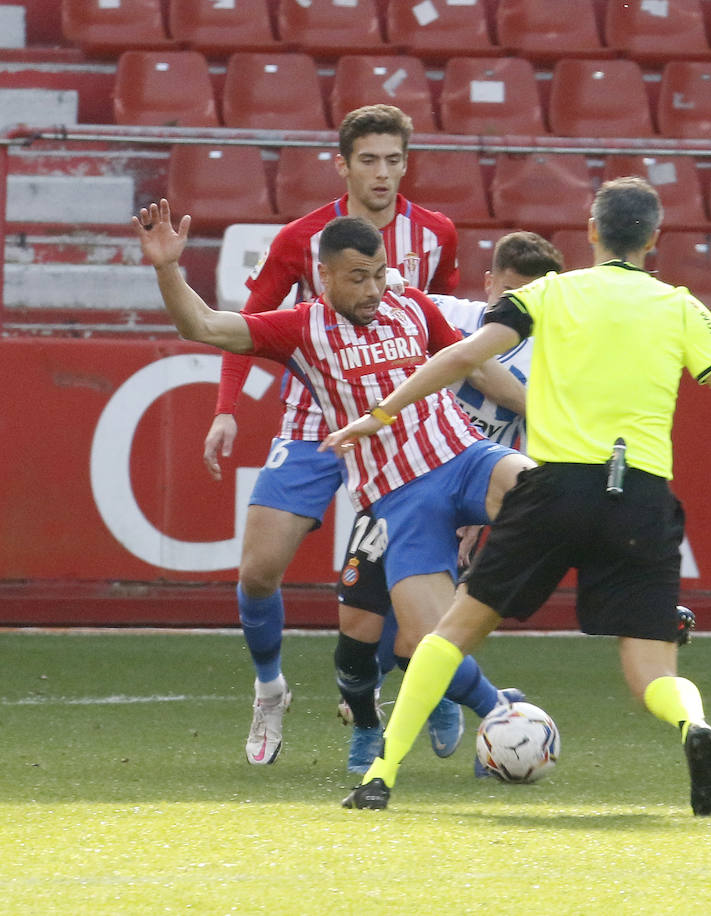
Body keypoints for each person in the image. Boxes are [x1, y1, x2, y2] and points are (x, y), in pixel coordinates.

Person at [322, 177, 711, 815]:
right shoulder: (680, 307)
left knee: (452, 634)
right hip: (638, 497)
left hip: (554, 489)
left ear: (591, 231)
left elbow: (463, 356)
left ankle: (380, 775)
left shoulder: (549, 294)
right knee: (653, 673)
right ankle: (692, 724)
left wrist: (381, 413)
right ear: (654, 237)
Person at [134, 202, 535, 771]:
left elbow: (469, 363)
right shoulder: (301, 328)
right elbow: (202, 325)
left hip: (466, 457)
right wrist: (168, 269)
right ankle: (502, 713)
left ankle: (643, 601)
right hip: (402, 499)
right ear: (324, 276)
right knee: (428, 640)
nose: (374, 289)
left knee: (545, 491)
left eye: (378, 274)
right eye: (357, 278)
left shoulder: (412, 305)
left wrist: (538, 408)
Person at [205, 104, 465, 766]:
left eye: (394, 159)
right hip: (315, 418)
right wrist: (226, 405)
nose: (382, 173)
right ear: (343, 164)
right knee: (260, 569)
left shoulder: (435, 236)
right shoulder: (303, 238)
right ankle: (270, 686)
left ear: (407, 163)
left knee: (403, 585)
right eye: (369, 159)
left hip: (403, 427)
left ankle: (409, 698)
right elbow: (249, 320)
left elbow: (454, 338)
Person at [336, 231, 565, 774]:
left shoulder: (555, 359)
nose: (517, 309)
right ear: (488, 283)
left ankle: (476, 710)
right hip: (399, 482)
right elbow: (388, 305)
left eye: (531, 299)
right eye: (508, 293)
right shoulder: (447, 314)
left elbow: (532, 449)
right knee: (357, 630)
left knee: (418, 636)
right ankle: (406, 708)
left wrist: (479, 521)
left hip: (464, 491)